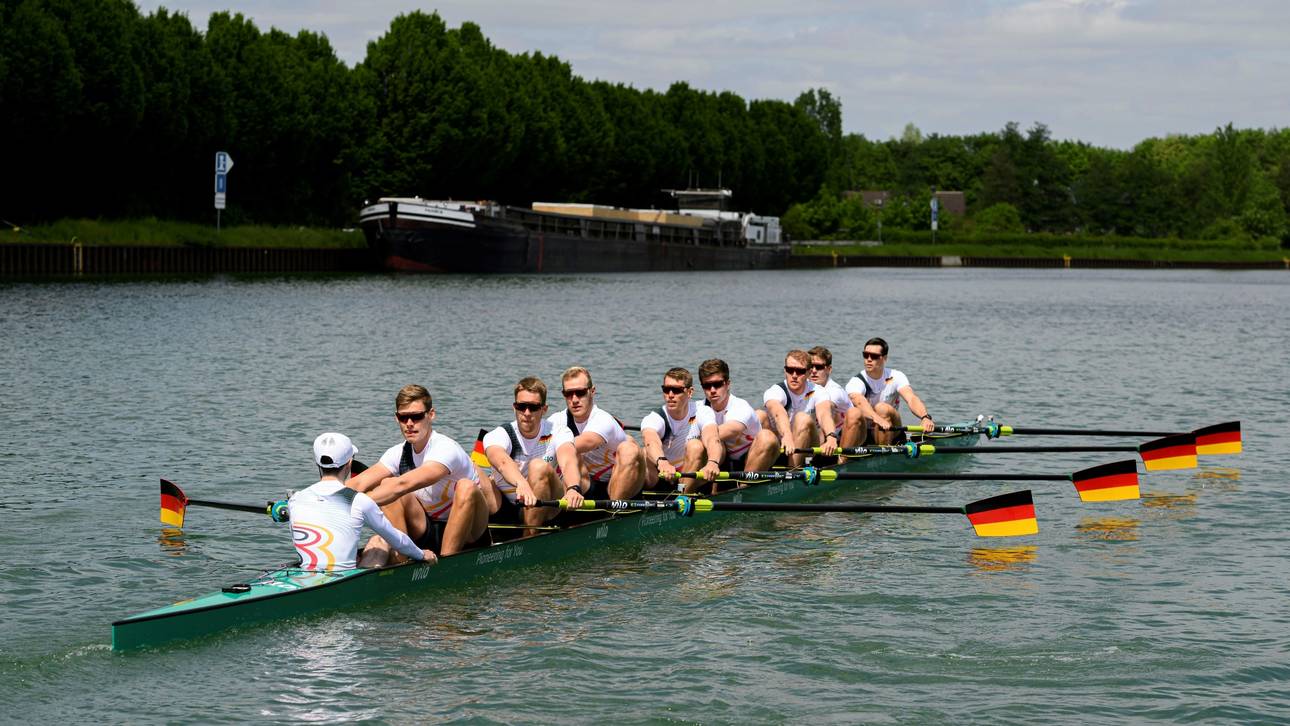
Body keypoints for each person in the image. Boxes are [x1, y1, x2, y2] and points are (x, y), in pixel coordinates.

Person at [349, 385, 490, 564]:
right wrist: (322, 498)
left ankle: (447, 563)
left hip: (471, 530)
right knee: (387, 483)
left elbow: (402, 485)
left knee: (465, 487)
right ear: (396, 418)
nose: (409, 423)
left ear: (431, 415)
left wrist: (355, 503)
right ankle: (401, 561)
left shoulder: (445, 448)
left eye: (416, 417)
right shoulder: (397, 452)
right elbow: (359, 483)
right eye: (403, 417)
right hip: (428, 527)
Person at [287, 432, 434, 570]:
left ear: (317, 463)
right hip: (344, 580)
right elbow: (397, 540)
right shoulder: (359, 501)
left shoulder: (295, 499)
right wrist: (422, 554)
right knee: (380, 540)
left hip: (307, 576)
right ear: (350, 462)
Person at [482, 377, 584, 534]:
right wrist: (521, 483)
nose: (527, 413)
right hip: (508, 506)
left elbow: (568, 460)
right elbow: (501, 461)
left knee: (538, 466)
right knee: (471, 471)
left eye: (533, 407)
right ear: (514, 407)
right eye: (521, 407)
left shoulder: (558, 431)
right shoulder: (499, 434)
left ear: (544, 409)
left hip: (549, 505)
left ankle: (529, 537)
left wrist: (573, 488)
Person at [548, 366, 645, 501]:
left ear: (592, 391)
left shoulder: (603, 419)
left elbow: (586, 442)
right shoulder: (556, 420)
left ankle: (613, 512)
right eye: (569, 394)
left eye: (580, 392)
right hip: (588, 484)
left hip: (620, 483)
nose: (574, 399)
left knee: (629, 446)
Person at [692, 358, 780, 493]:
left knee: (767, 437)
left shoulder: (740, 407)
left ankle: (744, 489)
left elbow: (721, 433)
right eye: (707, 386)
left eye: (717, 384)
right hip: (721, 463)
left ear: (727, 384)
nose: (712, 390)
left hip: (749, 461)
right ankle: (684, 492)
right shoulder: (697, 408)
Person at [844, 337, 936, 445]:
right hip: (864, 432)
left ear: (884, 358)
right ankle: (843, 459)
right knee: (854, 413)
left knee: (882, 408)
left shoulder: (895, 376)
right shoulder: (857, 381)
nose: (869, 359)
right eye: (865, 355)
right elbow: (858, 401)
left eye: (874, 356)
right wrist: (876, 418)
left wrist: (925, 417)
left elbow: (911, 398)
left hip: (892, 429)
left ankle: (884, 453)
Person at [761, 349, 839, 467]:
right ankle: (748, 479)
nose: (794, 375)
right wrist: (787, 435)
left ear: (808, 373)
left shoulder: (817, 391)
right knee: (758, 415)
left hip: (811, 445)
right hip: (784, 443)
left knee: (802, 418)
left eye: (800, 371)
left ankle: (792, 471)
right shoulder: (776, 391)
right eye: (790, 370)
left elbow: (824, 415)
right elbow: (778, 412)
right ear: (785, 370)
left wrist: (832, 436)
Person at [640, 367, 707, 492]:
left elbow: (713, 437)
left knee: (696, 446)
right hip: (662, 474)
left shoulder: (701, 411)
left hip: (688, 475)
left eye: (676, 390)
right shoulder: (655, 417)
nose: (670, 395)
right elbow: (650, 438)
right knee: (642, 452)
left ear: (690, 392)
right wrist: (662, 462)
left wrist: (713, 462)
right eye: (666, 390)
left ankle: (683, 494)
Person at [807, 345, 856, 448]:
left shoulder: (835, 391)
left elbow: (825, 411)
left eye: (819, 367)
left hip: (842, 438)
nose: (814, 371)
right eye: (810, 367)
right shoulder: (805, 386)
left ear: (829, 369)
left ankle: (841, 461)